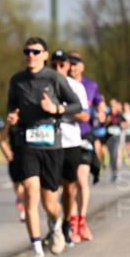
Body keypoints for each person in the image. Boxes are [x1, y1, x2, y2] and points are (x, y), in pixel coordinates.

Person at [5, 37, 82, 257]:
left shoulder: (54, 78)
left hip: (51, 146)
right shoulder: (17, 80)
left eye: (36, 51)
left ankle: (57, 225)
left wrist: (56, 109)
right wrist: (12, 118)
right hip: (27, 144)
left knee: (50, 202)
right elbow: (10, 108)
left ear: (45, 55)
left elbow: (77, 105)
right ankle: (37, 252)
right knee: (30, 193)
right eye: (27, 51)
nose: (31, 55)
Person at [49, 50, 91, 246]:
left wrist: (62, 110)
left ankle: (67, 222)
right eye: (54, 65)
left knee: (69, 187)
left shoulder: (76, 87)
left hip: (71, 142)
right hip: (50, 143)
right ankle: (54, 225)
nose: (58, 68)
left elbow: (85, 115)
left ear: (68, 66)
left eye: (61, 65)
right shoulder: (46, 86)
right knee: (50, 189)